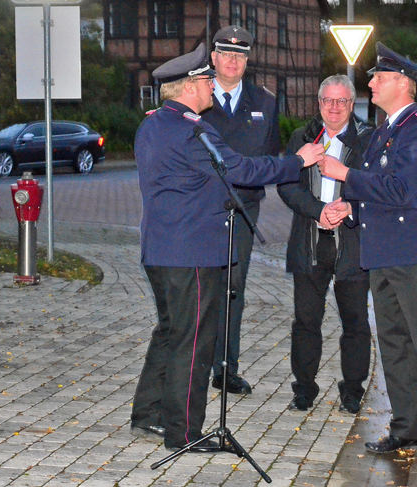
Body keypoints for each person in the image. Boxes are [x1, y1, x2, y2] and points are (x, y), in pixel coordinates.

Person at [129, 44, 321, 453]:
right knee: (193, 339)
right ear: (192, 85)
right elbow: (242, 170)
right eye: (206, 80)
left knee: (168, 331)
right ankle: (184, 433)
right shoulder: (194, 129)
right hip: (193, 253)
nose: (213, 86)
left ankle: (147, 414)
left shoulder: (153, 125)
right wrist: (297, 162)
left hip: (159, 249)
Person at [318, 42, 417, 459]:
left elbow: (399, 189)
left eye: (380, 77)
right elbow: (377, 195)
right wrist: (348, 207)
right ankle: (407, 429)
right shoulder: (383, 132)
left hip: (415, 252)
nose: (370, 83)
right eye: (372, 76)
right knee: (393, 342)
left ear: (403, 84)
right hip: (383, 252)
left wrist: (345, 175)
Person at [277, 75, 374, 415]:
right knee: (305, 321)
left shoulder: (368, 140)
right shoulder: (300, 138)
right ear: (318, 103)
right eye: (328, 101)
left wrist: (350, 208)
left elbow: (377, 188)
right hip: (310, 241)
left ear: (352, 104)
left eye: (342, 101)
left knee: (356, 322)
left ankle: (353, 389)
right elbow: (287, 185)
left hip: (352, 243)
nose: (334, 108)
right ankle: (304, 389)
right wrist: (317, 211)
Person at [201, 25, 281, 396]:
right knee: (200, 288)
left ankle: (225, 367)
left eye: (240, 56)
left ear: (247, 61)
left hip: (243, 210)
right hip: (200, 210)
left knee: (234, 289)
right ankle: (196, 363)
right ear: (213, 58)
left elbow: (269, 157)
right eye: (226, 54)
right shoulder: (196, 96)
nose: (232, 61)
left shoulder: (265, 101)